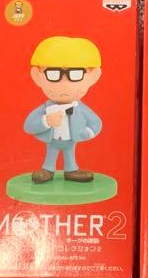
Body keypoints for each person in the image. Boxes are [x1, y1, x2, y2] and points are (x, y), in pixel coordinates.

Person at [23, 36, 102, 183]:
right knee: (51, 152)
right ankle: (47, 170)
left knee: (69, 152)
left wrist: (87, 132)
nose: (64, 84)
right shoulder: (45, 109)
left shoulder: (80, 109)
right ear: (37, 77)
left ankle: (71, 170)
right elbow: (28, 126)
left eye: (75, 74)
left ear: (93, 77)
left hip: (71, 140)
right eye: (53, 74)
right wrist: (46, 121)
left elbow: (95, 122)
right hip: (52, 140)